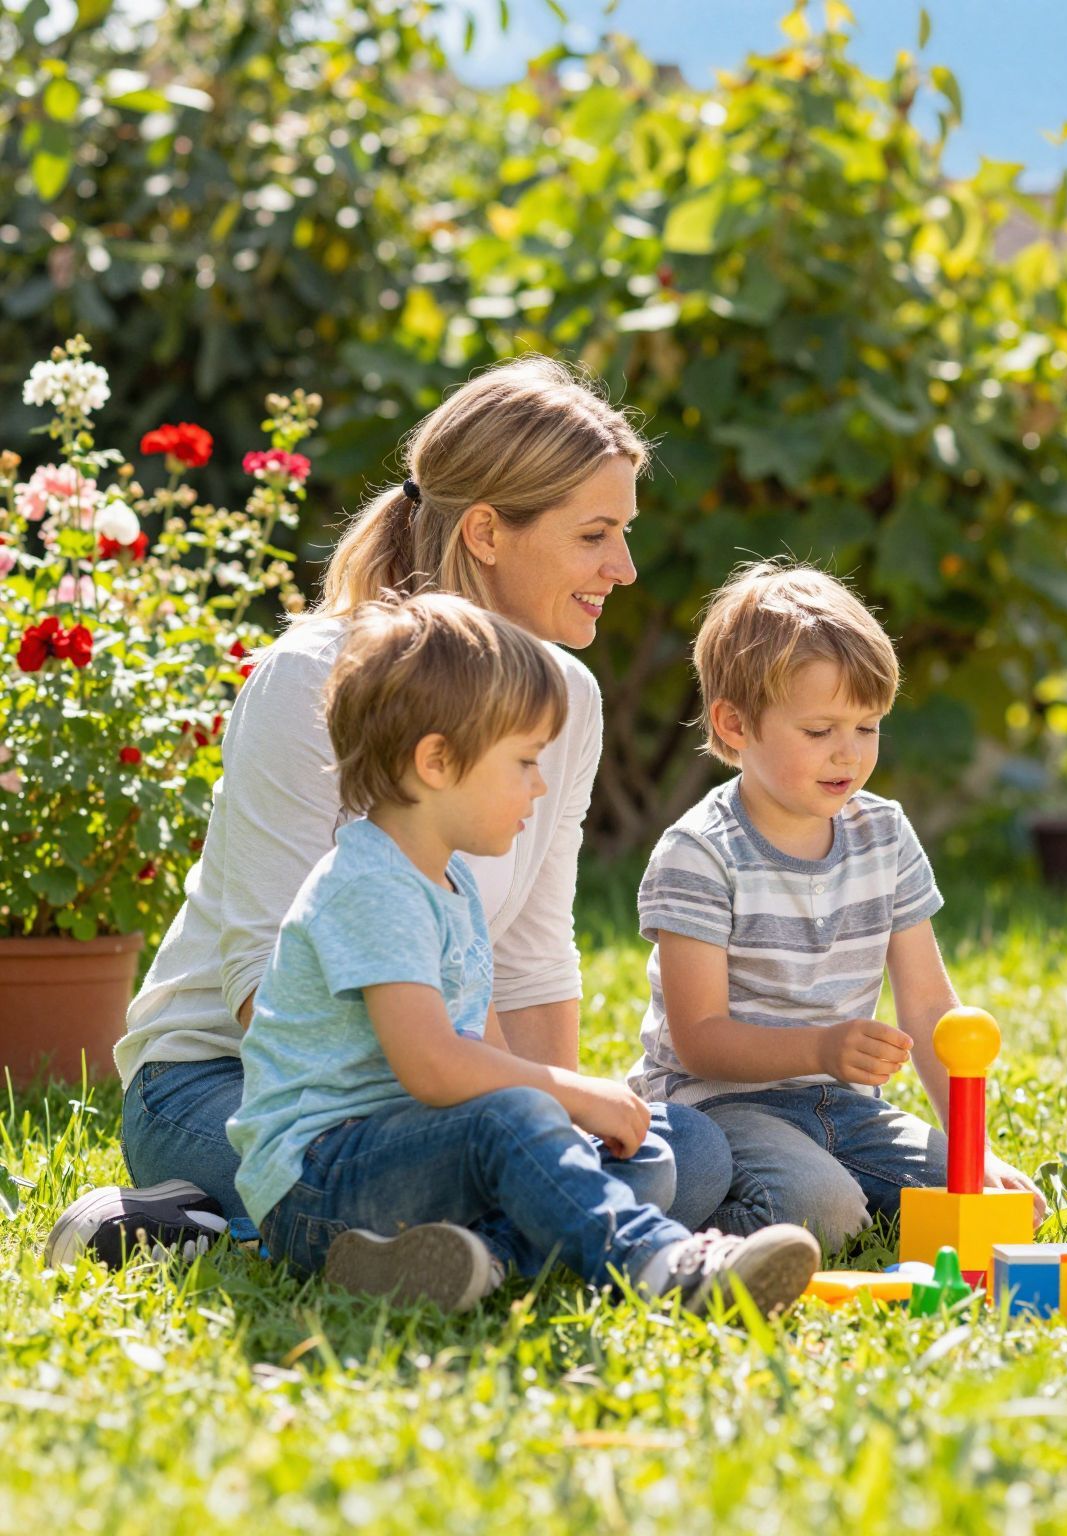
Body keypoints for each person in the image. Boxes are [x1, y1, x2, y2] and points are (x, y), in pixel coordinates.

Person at [46, 356, 735, 1269]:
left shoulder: (565, 698)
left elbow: (531, 960)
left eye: (625, 533)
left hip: (451, 1087)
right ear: (486, 532)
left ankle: (409, 1247)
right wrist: (488, 1119)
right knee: (530, 1162)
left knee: (685, 1152)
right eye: (595, 535)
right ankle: (229, 1226)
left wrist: (555, 1119)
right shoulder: (313, 680)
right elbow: (259, 990)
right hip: (238, 1086)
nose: (625, 568)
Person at [222, 595, 817, 1312]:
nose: (539, 784)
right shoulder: (371, 885)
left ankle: (449, 1263)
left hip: (416, 1157)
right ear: (437, 761)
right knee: (520, 1120)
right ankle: (663, 1264)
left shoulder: (449, 879)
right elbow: (435, 1066)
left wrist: (569, 1119)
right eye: (525, 761)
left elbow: (482, 1048)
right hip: (321, 1181)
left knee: (650, 1152)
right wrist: (567, 1095)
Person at [630, 560, 1045, 1248]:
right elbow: (699, 1037)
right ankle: (695, 1239)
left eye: (868, 727)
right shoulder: (699, 852)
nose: (847, 755)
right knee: (822, 1211)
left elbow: (929, 1009)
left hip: (846, 1109)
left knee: (987, 1210)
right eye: (820, 731)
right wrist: (820, 1046)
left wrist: (973, 1153)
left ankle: (843, 1193)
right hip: (722, 1106)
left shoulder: (884, 833)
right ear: (734, 725)